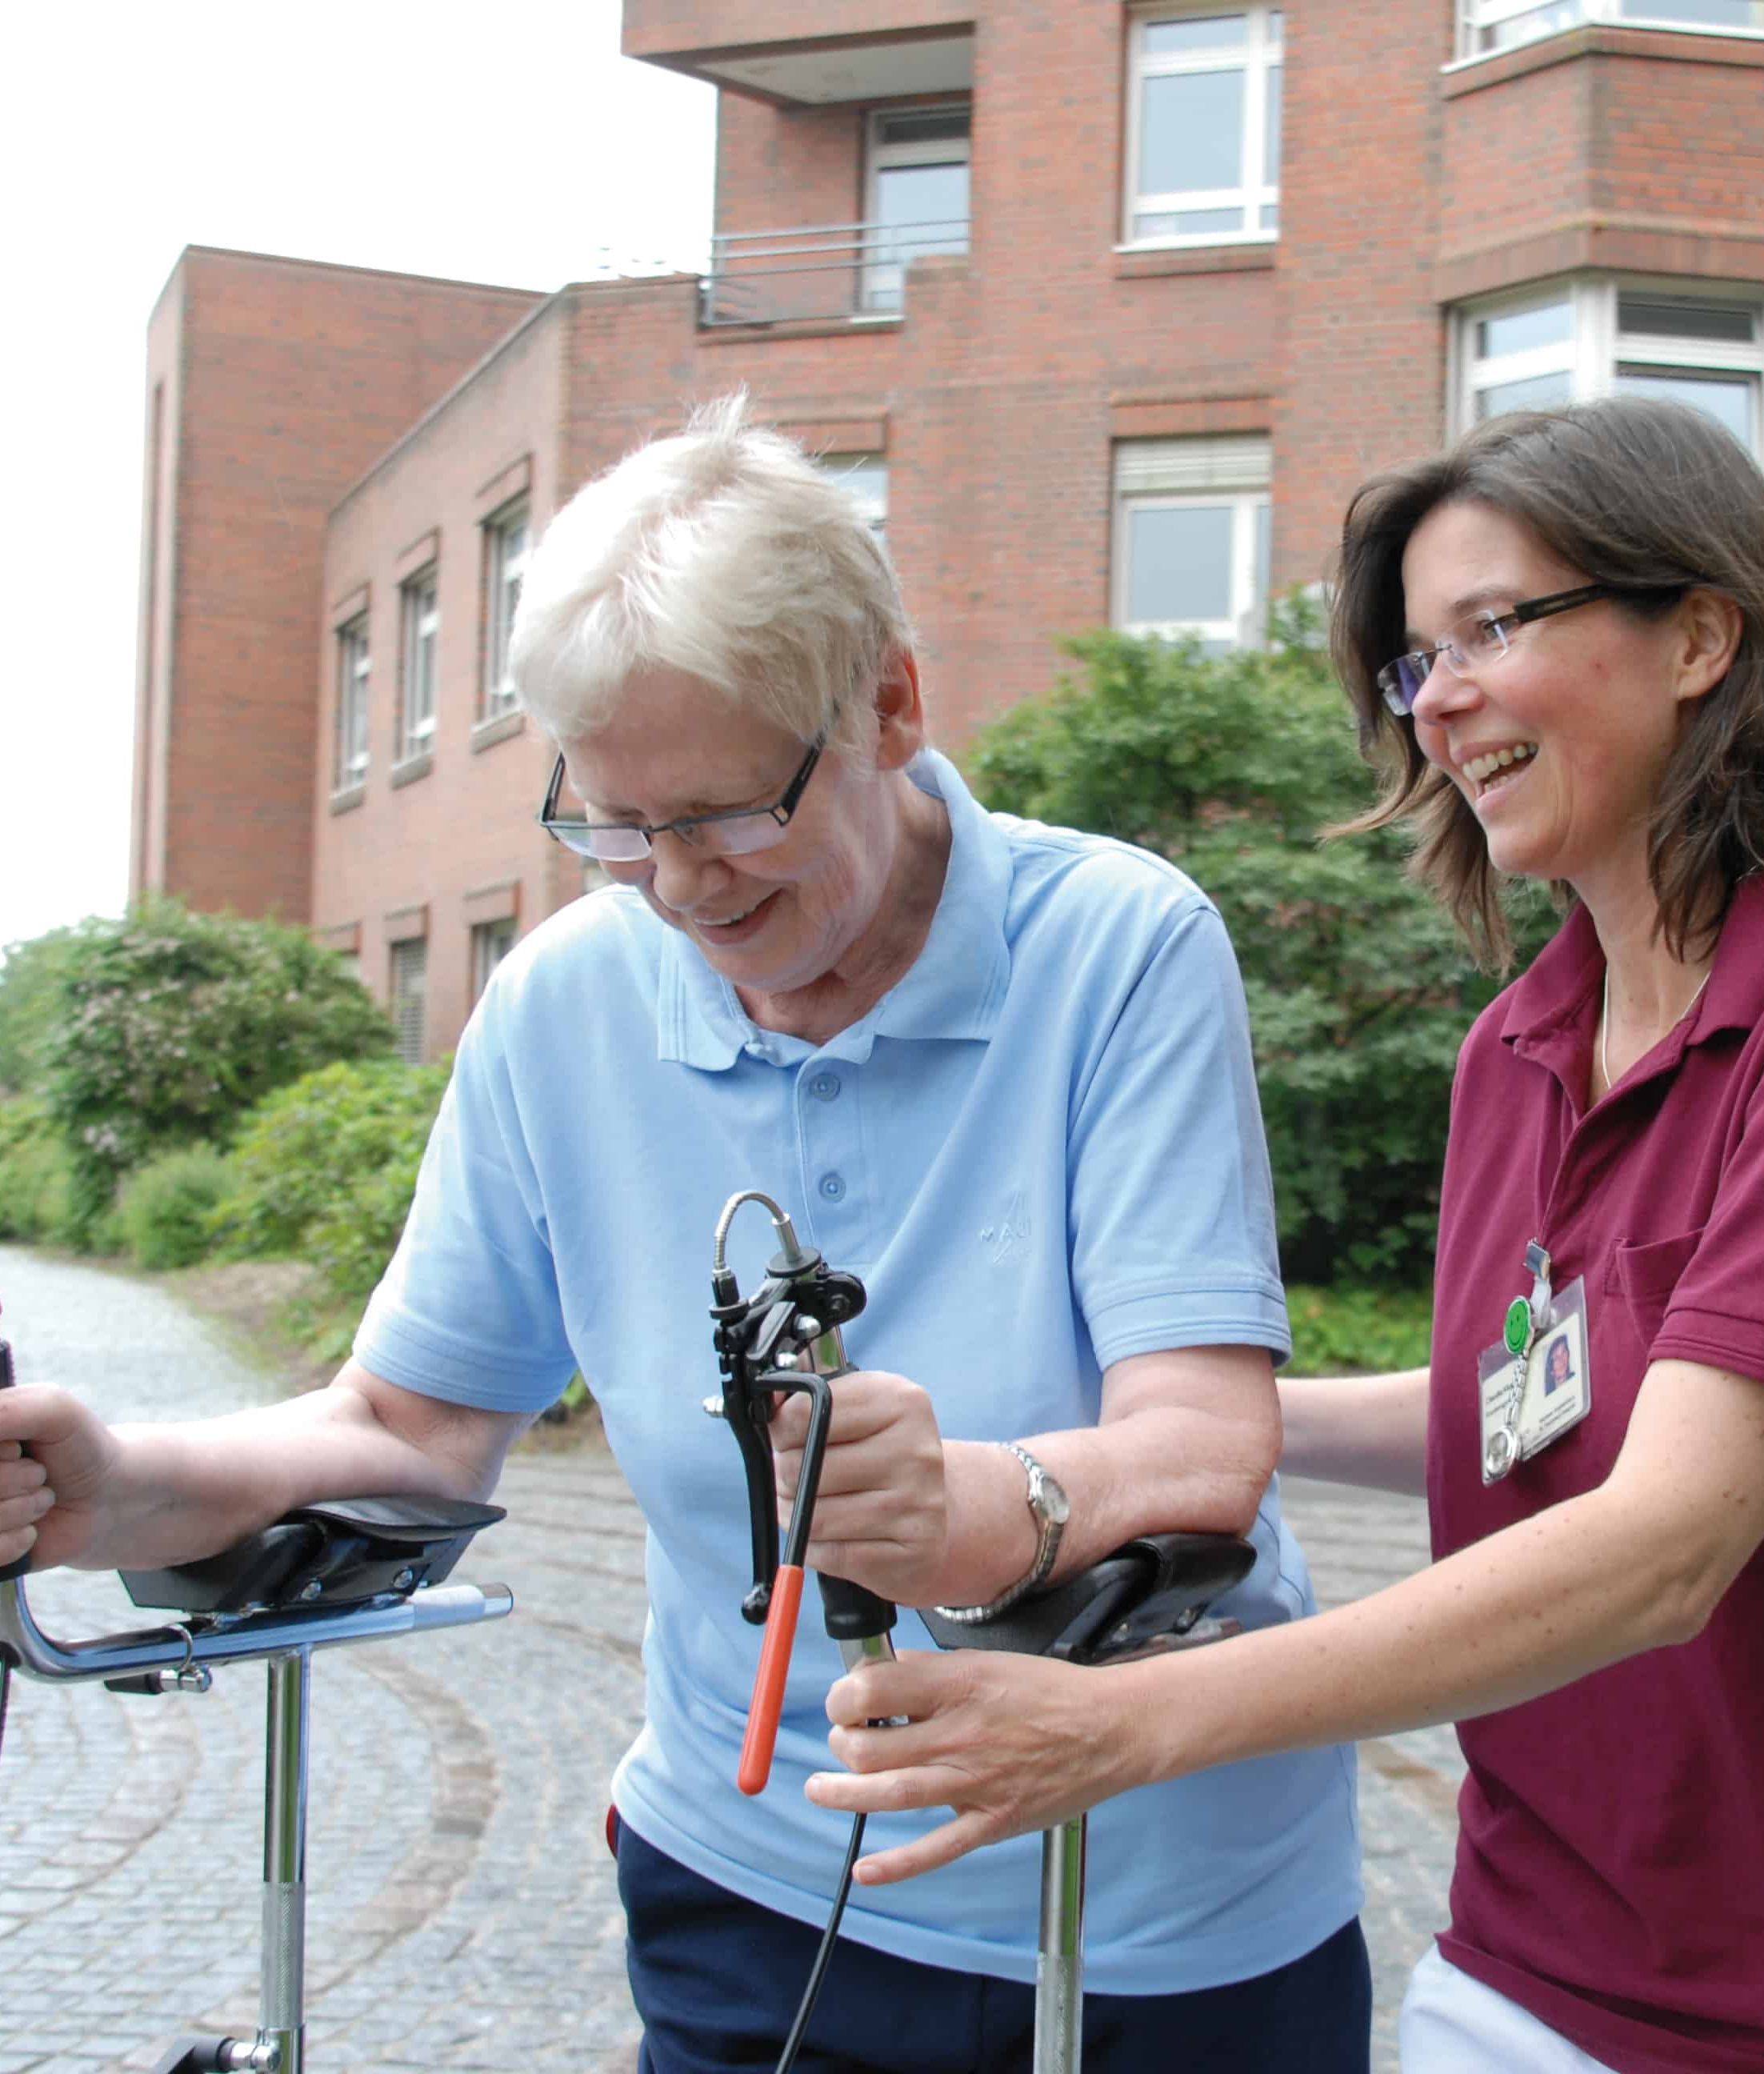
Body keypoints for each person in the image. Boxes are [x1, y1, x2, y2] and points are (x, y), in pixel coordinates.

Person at [0, 398, 1369, 2072]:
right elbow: (409, 1429)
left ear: (884, 704)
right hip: (746, 1888)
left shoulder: (1120, 949)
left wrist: (968, 1506)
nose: (674, 888)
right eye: (610, 824)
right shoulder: (564, 1000)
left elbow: (1201, 1442)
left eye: (723, 814)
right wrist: (111, 1485)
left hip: (1140, 1907)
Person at [809, 397, 1764, 2071]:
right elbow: (1521, 1409)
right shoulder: (1520, 1046)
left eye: (1491, 627)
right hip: (1527, 1951)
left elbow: (1663, 1540)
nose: (1440, 699)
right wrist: (1129, 1442)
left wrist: (1122, 1724)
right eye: (1413, 660)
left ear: (1698, 633)